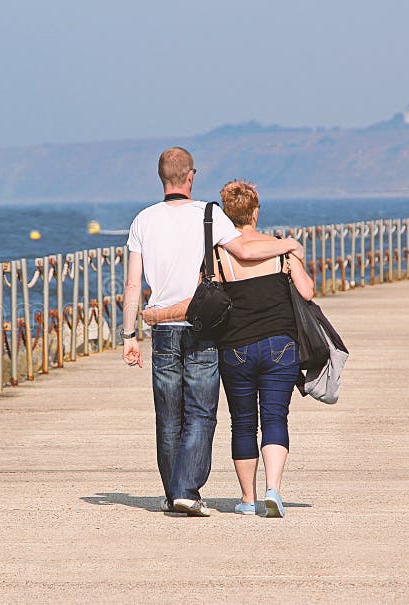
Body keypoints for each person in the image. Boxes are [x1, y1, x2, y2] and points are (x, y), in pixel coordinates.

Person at [121, 149, 304, 517]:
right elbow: (244, 250)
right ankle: (187, 489)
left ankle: (175, 492)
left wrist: (129, 336)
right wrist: (288, 245)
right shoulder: (209, 214)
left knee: (168, 414)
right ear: (190, 176)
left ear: (161, 177)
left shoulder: (143, 220)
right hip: (203, 327)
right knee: (202, 413)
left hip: (163, 330)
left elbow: (130, 284)